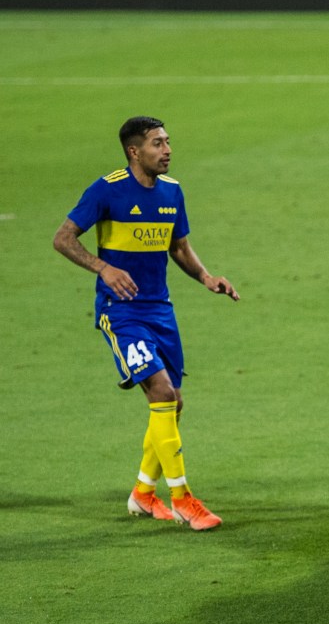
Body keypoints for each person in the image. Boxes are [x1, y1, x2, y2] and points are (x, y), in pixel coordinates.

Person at [52, 116, 238, 531]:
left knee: (174, 402)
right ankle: (183, 499)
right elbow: (63, 238)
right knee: (161, 391)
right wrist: (103, 268)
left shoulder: (172, 192)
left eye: (168, 141)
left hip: (160, 309)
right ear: (135, 152)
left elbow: (179, 246)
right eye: (157, 143)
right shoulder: (108, 189)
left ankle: (142, 492)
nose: (167, 149)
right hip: (121, 312)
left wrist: (207, 277)